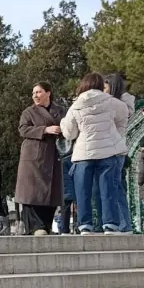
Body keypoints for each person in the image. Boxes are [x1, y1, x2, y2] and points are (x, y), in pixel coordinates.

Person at [61, 73, 129, 235]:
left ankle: (85, 226)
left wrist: (63, 123)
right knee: (108, 189)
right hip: (108, 151)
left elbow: (69, 134)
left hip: (83, 153)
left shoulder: (76, 106)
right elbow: (123, 117)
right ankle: (110, 225)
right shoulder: (112, 102)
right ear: (100, 85)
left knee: (83, 191)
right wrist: (115, 135)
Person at [17, 82, 65, 235]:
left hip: (54, 155)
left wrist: (62, 131)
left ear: (48, 93)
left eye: (38, 92)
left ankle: (46, 225)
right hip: (32, 156)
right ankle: (35, 227)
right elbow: (23, 129)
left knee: (51, 192)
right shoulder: (28, 112)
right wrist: (45, 129)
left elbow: (69, 127)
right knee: (31, 192)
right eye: (33, 93)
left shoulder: (61, 110)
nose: (35, 96)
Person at [104, 74, 135, 232]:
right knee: (113, 187)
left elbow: (126, 115)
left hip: (116, 150)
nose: (103, 90)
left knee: (114, 187)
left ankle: (123, 224)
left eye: (106, 86)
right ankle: (120, 223)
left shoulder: (124, 100)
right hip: (107, 149)